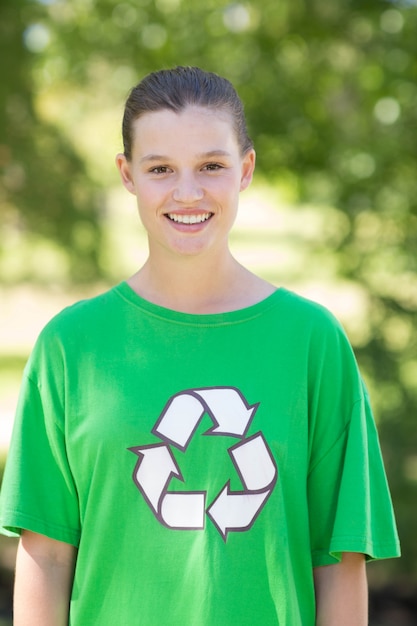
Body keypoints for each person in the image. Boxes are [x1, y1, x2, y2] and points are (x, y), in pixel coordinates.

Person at [0, 66, 400, 625]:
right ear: (127, 174)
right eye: (160, 168)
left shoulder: (313, 343)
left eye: (211, 165)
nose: (188, 193)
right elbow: (45, 554)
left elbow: (339, 560)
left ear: (247, 169)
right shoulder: (71, 347)